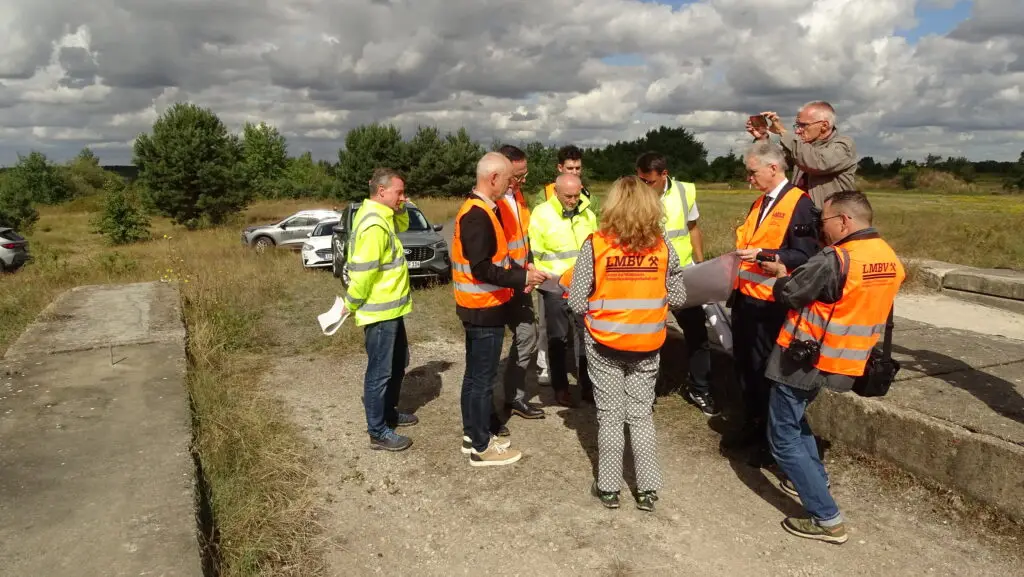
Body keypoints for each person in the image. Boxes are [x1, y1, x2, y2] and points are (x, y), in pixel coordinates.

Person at [758, 190, 905, 543]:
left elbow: (790, 293)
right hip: (846, 360)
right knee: (796, 420)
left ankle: (827, 518)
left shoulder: (836, 258)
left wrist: (783, 273)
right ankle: (814, 478)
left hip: (804, 358)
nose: (821, 228)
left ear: (844, 220)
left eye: (824, 221)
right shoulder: (889, 258)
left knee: (782, 437)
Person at [568, 175, 687, 512]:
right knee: (640, 415)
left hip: (604, 344)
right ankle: (647, 490)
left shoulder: (595, 244)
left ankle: (608, 488)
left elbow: (576, 302)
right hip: (647, 344)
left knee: (609, 416)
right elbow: (679, 297)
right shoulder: (663, 247)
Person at [452, 152, 549, 467]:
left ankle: (473, 435)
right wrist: (522, 278)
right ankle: (482, 447)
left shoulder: (483, 209)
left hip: (481, 306)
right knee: (481, 380)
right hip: (483, 308)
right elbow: (482, 269)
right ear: (493, 178)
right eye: (508, 179)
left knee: (475, 377)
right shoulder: (476, 214)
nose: (511, 185)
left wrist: (520, 273)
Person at [728, 142, 820, 467]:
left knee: (766, 373)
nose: (749, 178)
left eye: (752, 172)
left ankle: (771, 441)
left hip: (772, 304)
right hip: (746, 299)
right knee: (745, 368)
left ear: (773, 168)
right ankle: (752, 424)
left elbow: (806, 255)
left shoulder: (800, 204)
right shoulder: (759, 202)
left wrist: (768, 256)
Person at [634, 152, 716, 416]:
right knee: (645, 334)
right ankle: (646, 389)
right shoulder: (634, 194)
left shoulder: (684, 191)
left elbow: (692, 228)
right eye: (640, 180)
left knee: (696, 330)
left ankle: (699, 388)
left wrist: (701, 264)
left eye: (649, 181)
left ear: (664, 175)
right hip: (648, 275)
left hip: (682, 274)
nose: (644, 186)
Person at [346, 168, 417, 451]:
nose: (403, 197)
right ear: (381, 191)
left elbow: (403, 227)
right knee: (380, 372)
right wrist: (350, 304)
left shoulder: (384, 216)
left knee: (398, 364)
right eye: (399, 192)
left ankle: (389, 413)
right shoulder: (374, 224)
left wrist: (402, 207)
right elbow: (364, 272)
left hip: (391, 310)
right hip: (379, 313)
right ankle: (377, 431)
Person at [529, 172, 598, 407]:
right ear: (556, 192)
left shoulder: (587, 213)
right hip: (554, 286)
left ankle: (588, 386)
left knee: (587, 336)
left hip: (583, 285)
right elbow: (535, 253)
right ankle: (560, 388)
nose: (573, 200)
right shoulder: (541, 214)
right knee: (557, 338)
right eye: (568, 196)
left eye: (576, 195)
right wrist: (546, 282)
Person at [496, 145, 545, 420]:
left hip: (519, 282)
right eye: (518, 176)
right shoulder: (488, 202)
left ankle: (514, 397)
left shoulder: (517, 195)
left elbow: (522, 238)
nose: (523, 180)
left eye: (525, 174)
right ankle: (486, 413)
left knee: (527, 335)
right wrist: (519, 276)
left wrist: (529, 265)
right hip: (496, 286)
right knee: (489, 349)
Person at [748, 101, 857, 207]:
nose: (798, 131)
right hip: (801, 213)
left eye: (803, 125)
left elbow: (817, 162)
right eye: (797, 125)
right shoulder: (801, 147)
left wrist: (782, 131)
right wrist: (762, 138)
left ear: (824, 125)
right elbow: (774, 163)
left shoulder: (844, 145)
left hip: (831, 216)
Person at [536, 145, 599, 214]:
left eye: (577, 168)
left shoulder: (590, 198)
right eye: (570, 168)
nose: (574, 172)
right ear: (560, 168)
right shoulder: (545, 195)